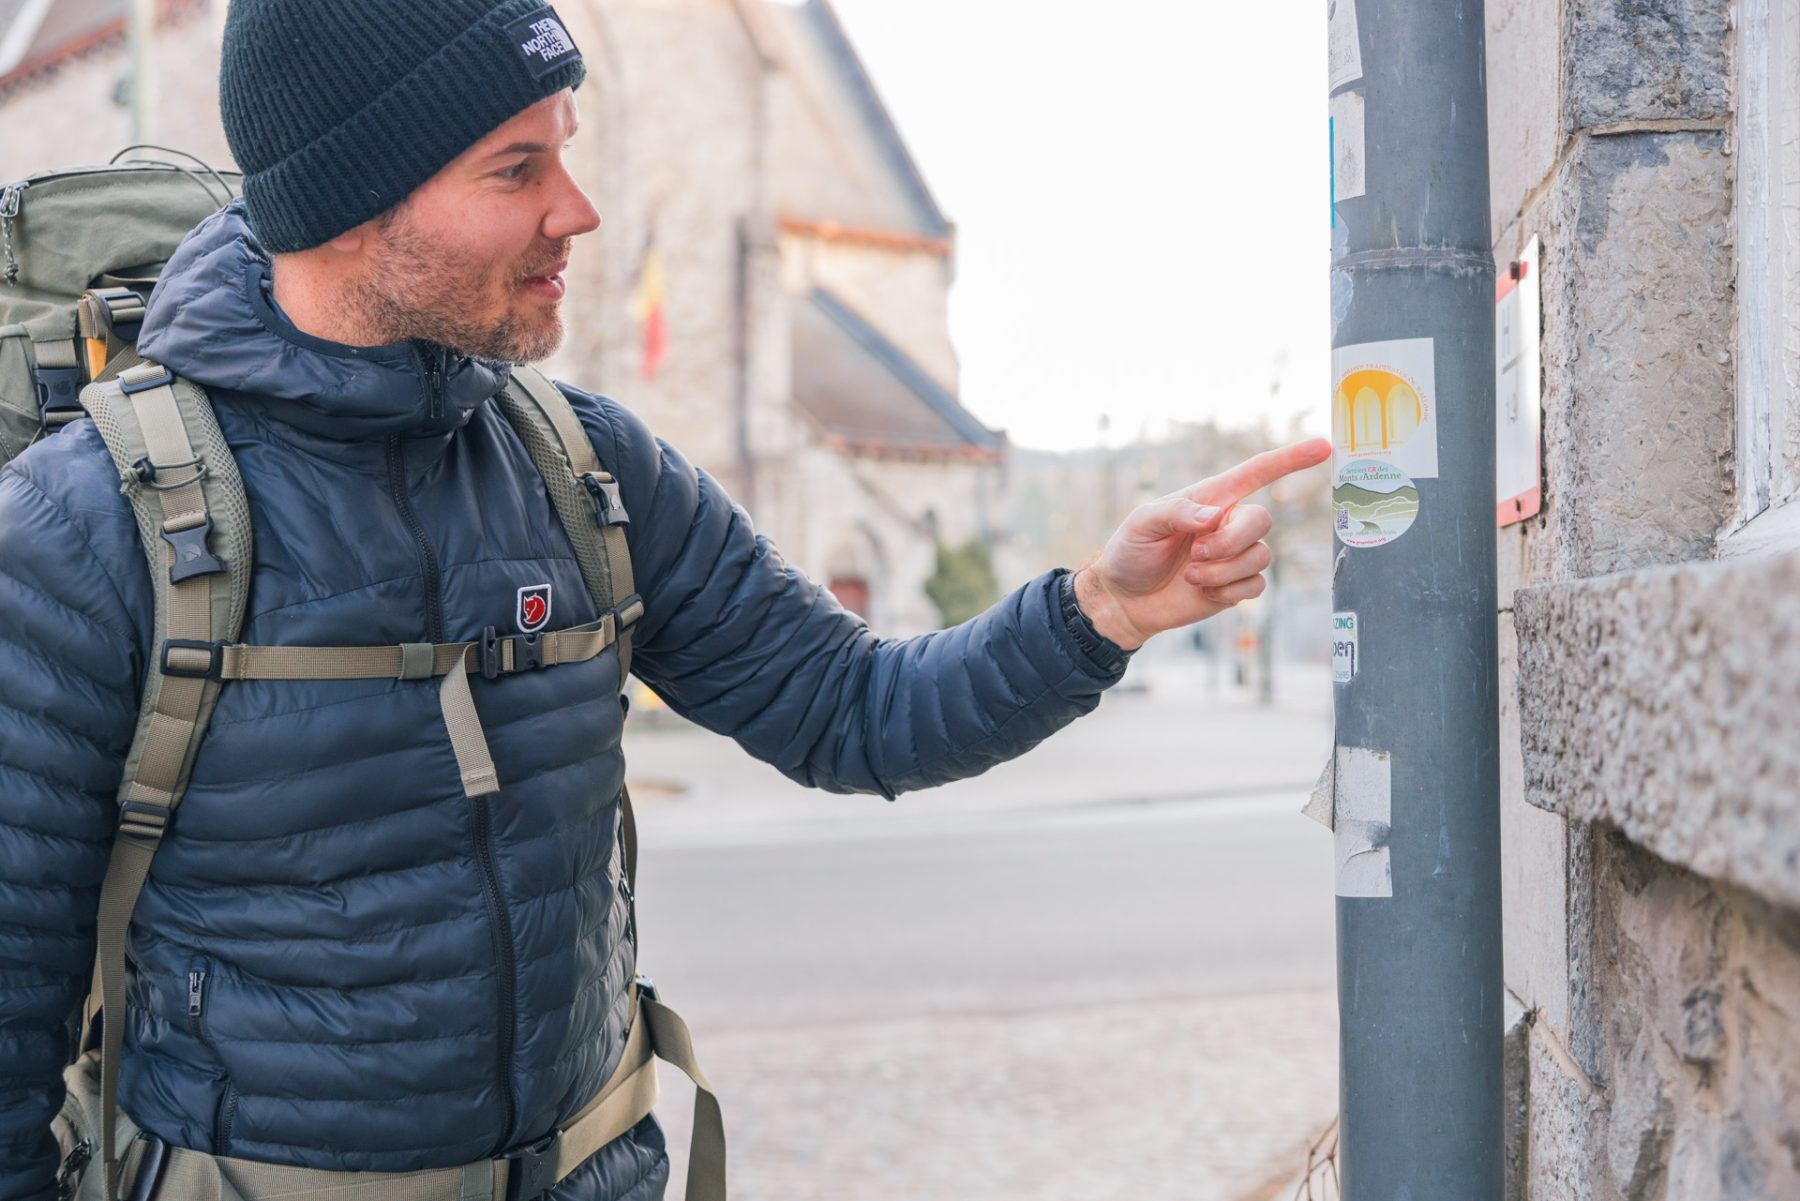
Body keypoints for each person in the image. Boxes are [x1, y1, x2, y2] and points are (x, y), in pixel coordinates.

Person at [0, 2, 1330, 1198]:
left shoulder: (582, 466)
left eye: (563, 152)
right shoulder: (87, 526)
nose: (575, 210)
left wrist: (1098, 610)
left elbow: (854, 711)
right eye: (516, 169)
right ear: (350, 207)